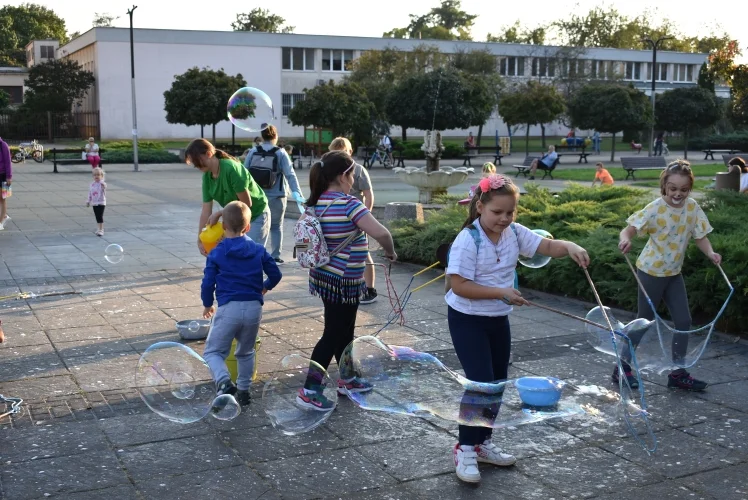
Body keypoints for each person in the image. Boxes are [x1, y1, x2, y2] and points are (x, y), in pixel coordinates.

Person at [447, 173, 590, 483]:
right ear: (480, 206)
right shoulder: (468, 239)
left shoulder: (513, 232)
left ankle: (483, 443)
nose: (504, 218)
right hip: (467, 319)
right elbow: (457, 285)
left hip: (497, 318)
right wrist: (501, 292)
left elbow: (547, 246)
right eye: (497, 212)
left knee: (497, 382)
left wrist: (570, 245)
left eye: (510, 212)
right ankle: (465, 448)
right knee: (481, 383)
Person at [297, 150, 397, 410]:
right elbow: (381, 232)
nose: (353, 179)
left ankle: (349, 379)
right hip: (344, 281)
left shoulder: (314, 203)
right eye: (352, 174)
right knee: (333, 333)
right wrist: (390, 251)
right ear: (343, 176)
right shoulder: (349, 203)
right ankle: (310, 388)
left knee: (344, 330)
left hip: (323, 277)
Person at [618, 160, 721, 392]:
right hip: (650, 272)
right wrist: (625, 239)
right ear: (664, 185)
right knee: (642, 323)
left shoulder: (692, 207)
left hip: (674, 273)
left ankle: (678, 373)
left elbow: (700, 236)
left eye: (684, 190)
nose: (678, 194)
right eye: (673, 188)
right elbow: (630, 228)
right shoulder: (655, 208)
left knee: (683, 322)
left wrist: (711, 253)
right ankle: (622, 368)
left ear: (690, 189)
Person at [201, 201, 282, 407]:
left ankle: (224, 381)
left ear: (223, 227)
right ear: (247, 228)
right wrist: (265, 286)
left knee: (213, 352)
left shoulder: (217, 253)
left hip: (229, 308)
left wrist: (208, 303)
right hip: (254, 308)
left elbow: (208, 281)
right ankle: (244, 392)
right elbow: (276, 273)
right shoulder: (257, 249)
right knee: (245, 352)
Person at [185, 139, 270, 256]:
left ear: (208, 154)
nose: (195, 165)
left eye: (196, 160)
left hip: (256, 215)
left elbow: (246, 204)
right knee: (235, 258)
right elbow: (206, 211)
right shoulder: (207, 177)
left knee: (251, 257)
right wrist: (200, 239)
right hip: (235, 218)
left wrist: (220, 213)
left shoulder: (231, 169)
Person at [329, 137, 378, 304]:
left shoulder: (358, 170)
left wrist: (367, 215)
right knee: (342, 252)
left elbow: (369, 194)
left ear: (350, 152)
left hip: (356, 216)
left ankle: (370, 288)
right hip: (338, 217)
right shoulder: (330, 171)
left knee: (363, 252)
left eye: (343, 153)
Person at [244, 125, 303, 263]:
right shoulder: (281, 153)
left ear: (262, 136)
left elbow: (244, 173)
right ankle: (275, 255)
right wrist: (297, 194)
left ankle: (254, 253)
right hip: (277, 196)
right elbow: (290, 175)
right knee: (276, 226)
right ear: (275, 136)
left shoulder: (253, 151)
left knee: (256, 225)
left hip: (257, 197)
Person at [86, 167, 107, 236]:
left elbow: (105, 186)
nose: (96, 176)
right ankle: (99, 228)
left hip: (101, 202)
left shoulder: (102, 183)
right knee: (97, 216)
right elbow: (90, 193)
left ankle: (101, 230)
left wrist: (101, 181)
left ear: (101, 176)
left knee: (100, 216)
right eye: (95, 175)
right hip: (94, 203)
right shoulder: (92, 184)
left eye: (98, 175)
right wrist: (88, 201)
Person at [0, 137, 11, 230]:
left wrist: (9, 177)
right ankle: (4, 216)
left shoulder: (3, 145)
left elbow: (8, 162)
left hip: (3, 176)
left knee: (3, 198)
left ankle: (1, 222)